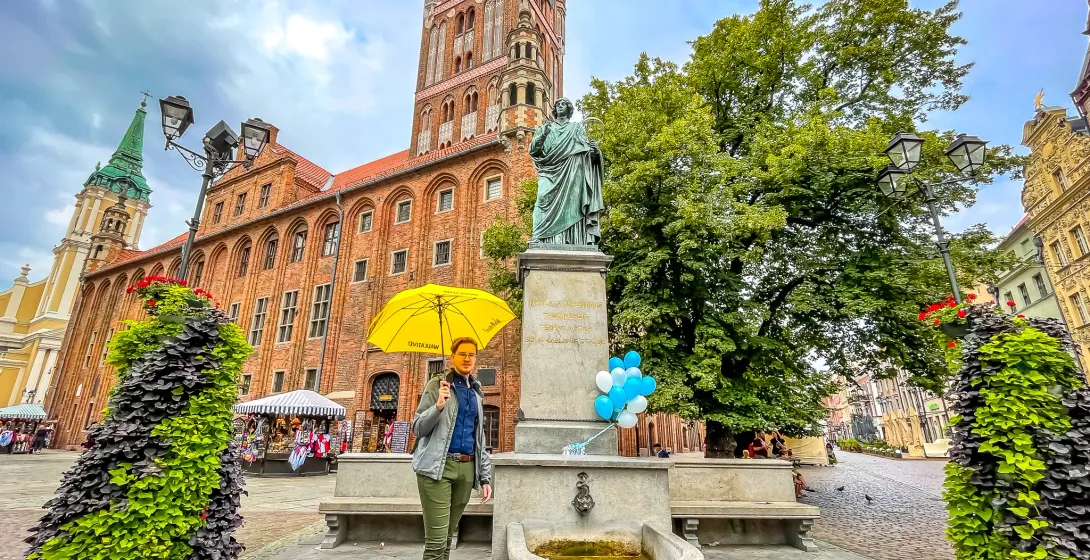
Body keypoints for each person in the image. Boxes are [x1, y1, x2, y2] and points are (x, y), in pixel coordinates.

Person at [412, 337, 493, 560]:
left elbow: (480, 438)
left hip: (466, 471)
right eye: (462, 354)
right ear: (452, 356)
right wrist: (438, 406)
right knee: (436, 543)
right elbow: (418, 428)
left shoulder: (476, 391)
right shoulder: (437, 385)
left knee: (448, 538)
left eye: (471, 354)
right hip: (438, 468)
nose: (467, 358)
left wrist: (485, 478)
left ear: (476, 358)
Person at [529, 97, 606, 246]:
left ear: (569, 109)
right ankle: (539, 236)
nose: (560, 106)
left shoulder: (577, 128)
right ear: (554, 109)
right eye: (557, 104)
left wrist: (595, 153)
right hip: (549, 170)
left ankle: (572, 239)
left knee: (573, 205)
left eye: (563, 104)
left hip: (573, 170)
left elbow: (585, 154)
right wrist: (543, 134)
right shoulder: (546, 127)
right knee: (542, 197)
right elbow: (534, 151)